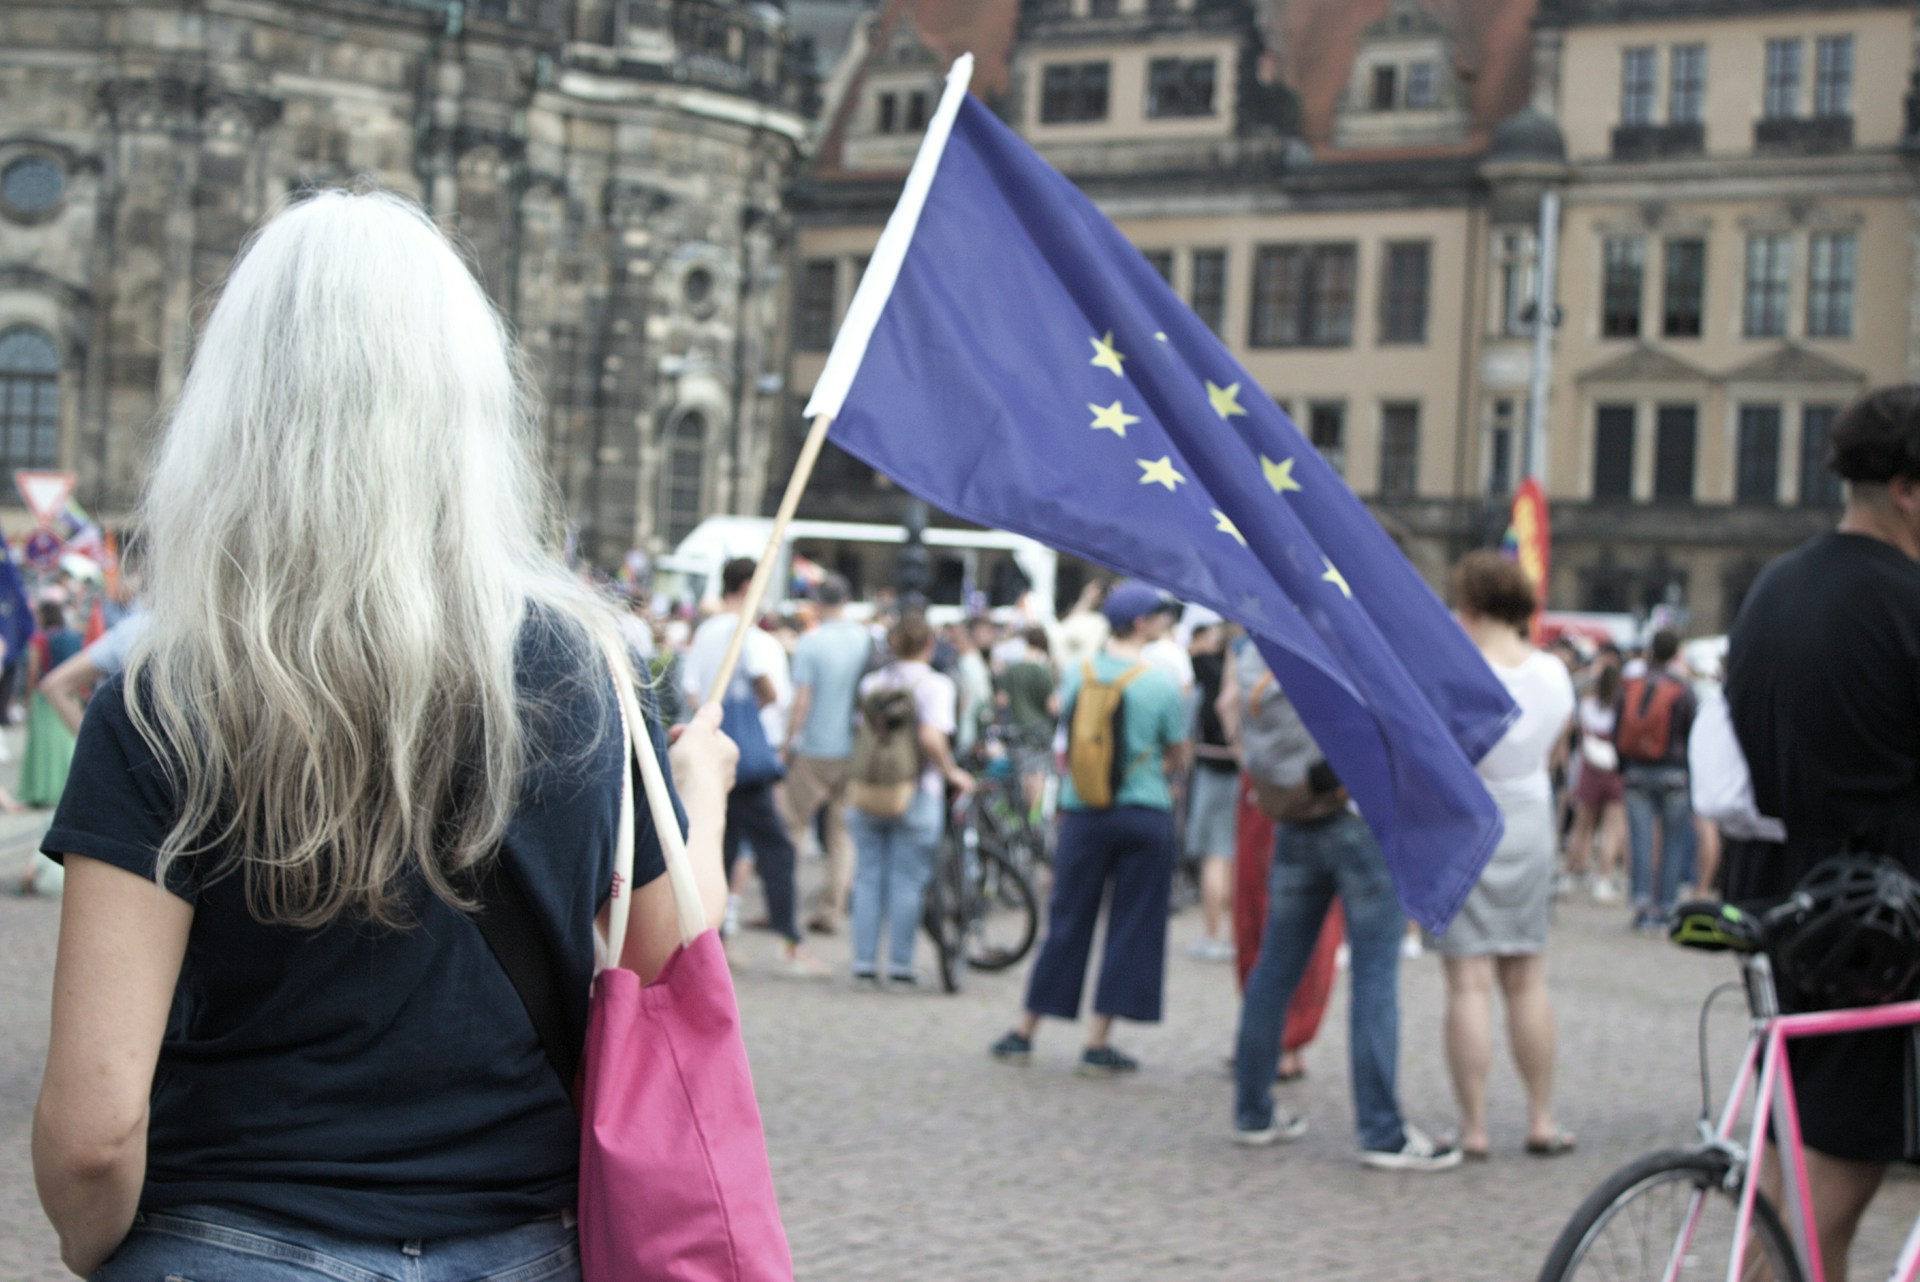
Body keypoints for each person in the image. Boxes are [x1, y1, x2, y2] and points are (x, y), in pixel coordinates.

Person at [30, 190, 739, 1281]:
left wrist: (106, 1252)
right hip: (518, 1247)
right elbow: (671, 959)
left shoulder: (168, 695)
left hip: (225, 1238)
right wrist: (705, 787)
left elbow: (92, 1134)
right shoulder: (590, 671)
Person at [1725, 384, 1920, 1282]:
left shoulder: (1774, 586)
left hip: (1787, 902)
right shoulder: (1902, 601)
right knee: (1821, 1201)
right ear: (1909, 489)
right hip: (1878, 926)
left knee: (1787, 1181)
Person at [990, 580, 1188, 1075]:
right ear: (1142, 625)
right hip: (1143, 811)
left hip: (1084, 812)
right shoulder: (1161, 682)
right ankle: (1097, 1041)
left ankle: (1025, 1030)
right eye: (1159, 617)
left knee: (1067, 919)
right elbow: (1178, 753)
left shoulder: (1079, 673)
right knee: (1131, 925)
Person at [1433, 551, 1577, 1159]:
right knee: (1527, 976)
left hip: (1471, 819)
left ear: (1467, 606)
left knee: (1468, 983)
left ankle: (1474, 1128)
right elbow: (1554, 751)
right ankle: (1541, 1117)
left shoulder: (1454, 671)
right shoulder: (1552, 674)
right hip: (1529, 819)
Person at [681, 557, 828, 977]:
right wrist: (747, 717)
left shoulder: (706, 630)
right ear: (746, 587)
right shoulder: (737, 632)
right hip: (743, 757)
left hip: (713, 750)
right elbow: (768, 689)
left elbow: (692, 691)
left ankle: (714, 942)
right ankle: (790, 942)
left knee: (720, 846)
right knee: (777, 849)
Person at [847, 612, 970, 986]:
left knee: (868, 876)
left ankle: (864, 962)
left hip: (870, 789)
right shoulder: (935, 686)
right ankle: (900, 964)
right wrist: (951, 772)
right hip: (917, 791)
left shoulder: (872, 683)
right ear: (929, 645)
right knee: (907, 881)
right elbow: (932, 738)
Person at [782, 574, 871, 935]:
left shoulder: (811, 643)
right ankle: (830, 909)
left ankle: (783, 904)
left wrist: (789, 742)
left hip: (817, 747)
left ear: (818, 603)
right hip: (854, 747)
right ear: (847, 600)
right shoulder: (864, 639)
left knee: (791, 826)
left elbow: (802, 699)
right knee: (841, 834)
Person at [1618, 628, 1697, 931]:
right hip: (1673, 773)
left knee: (1641, 840)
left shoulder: (1631, 684)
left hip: (1636, 770)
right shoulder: (1682, 688)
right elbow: (1692, 731)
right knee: (1674, 842)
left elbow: (1617, 729)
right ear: (1676, 653)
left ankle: (1641, 903)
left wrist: (1625, 767)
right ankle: (1665, 906)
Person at [1185, 622, 1239, 962]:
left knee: (1214, 857)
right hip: (1241, 776)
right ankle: (1236, 934)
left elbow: (1191, 729)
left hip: (1212, 772)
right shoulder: (1244, 674)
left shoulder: (1206, 682)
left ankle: (1212, 934)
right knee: (1233, 856)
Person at [1565, 652, 1627, 905]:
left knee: (1582, 823)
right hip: (1614, 770)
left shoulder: (1587, 705)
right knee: (1612, 826)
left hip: (1590, 768)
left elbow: (1579, 737)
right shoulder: (1621, 708)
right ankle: (1603, 877)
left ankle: (1573, 870)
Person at [18, 599, 83, 808]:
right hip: (70, 694)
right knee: (68, 742)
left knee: (44, 747)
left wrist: (28, 697)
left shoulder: (39, 639)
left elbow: (33, 671)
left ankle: (42, 790)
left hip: (45, 695)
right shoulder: (72, 635)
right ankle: (69, 787)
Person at [996, 626, 1059, 815]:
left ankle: (1021, 817)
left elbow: (1001, 701)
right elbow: (1053, 706)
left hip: (1016, 726)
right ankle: (1034, 819)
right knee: (1038, 773)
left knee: (1022, 772)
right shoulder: (1042, 670)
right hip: (1038, 729)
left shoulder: (1011, 670)